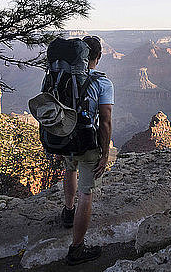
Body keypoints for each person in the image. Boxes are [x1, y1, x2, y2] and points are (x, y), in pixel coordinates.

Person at [61, 35, 114, 266]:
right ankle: (76, 249)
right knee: (86, 192)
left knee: (69, 169)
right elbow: (105, 121)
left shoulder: (64, 76)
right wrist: (105, 154)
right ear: (98, 57)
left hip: (64, 138)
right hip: (87, 143)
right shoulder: (103, 83)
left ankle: (67, 212)